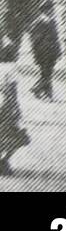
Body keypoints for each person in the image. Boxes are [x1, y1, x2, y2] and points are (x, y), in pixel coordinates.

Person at [0, 39, 29, 176]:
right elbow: (12, 91)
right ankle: (4, 160)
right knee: (14, 135)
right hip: (5, 106)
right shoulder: (11, 69)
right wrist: (17, 110)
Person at [28, 2, 61, 101]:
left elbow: (56, 38)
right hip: (43, 52)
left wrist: (58, 50)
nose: (51, 11)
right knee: (46, 73)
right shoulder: (38, 22)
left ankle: (40, 91)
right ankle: (43, 92)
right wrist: (38, 49)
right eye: (49, 9)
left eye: (51, 9)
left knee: (47, 73)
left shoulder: (52, 21)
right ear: (44, 10)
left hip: (52, 51)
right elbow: (34, 38)